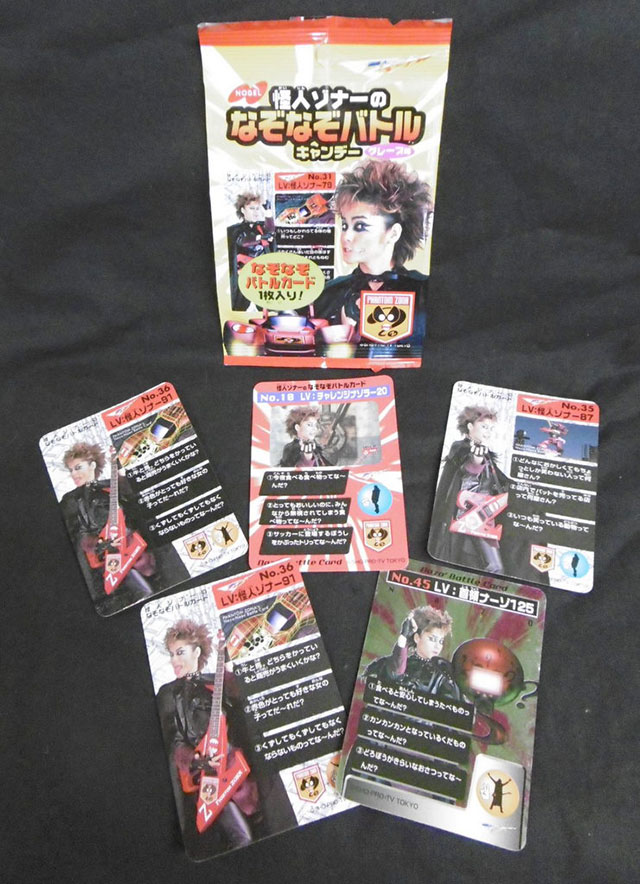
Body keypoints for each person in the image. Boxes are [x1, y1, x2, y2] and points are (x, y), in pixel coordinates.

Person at [311, 159, 431, 358]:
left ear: (393, 233)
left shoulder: (425, 292)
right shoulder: (327, 295)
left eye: (360, 226)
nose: (346, 236)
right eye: (345, 225)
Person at [156, 619, 256, 856]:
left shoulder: (215, 681)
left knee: (255, 832)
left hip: (237, 772)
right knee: (242, 838)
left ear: (197, 652)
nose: (174, 660)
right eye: (172, 654)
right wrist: (197, 761)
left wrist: (228, 661)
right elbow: (174, 741)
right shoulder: (170, 694)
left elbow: (240, 701)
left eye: (180, 652)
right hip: (205, 779)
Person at [59, 441, 155, 613]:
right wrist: (102, 545)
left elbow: (136, 506)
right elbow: (80, 538)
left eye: (78, 467)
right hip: (105, 562)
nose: (74, 474)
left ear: (92, 465)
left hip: (133, 549)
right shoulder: (72, 500)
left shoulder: (110, 486)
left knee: (148, 587)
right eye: (71, 470)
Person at [430, 406, 509, 574]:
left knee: (488, 565)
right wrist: (476, 459)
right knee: (492, 566)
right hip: (468, 517)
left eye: (491, 428)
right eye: (484, 426)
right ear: (470, 426)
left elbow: (500, 481)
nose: (488, 432)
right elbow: (469, 466)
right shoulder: (460, 448)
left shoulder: (488, 455)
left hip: (485, 517)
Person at [366, 605, 460, 699]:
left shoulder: (442, 676)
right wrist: (403, 638)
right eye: (432, 639)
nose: (437, 646)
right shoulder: (392, 663)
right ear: (417, 638)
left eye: (441, 641)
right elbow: (394, 673)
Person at [227, 192, 275, 310]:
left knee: (267, 308)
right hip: (243, 275)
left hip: (262, 276)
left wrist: (268, 212)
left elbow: (271, 231)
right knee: (238, 307)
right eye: (252, 208)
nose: (255, 212)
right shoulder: (234, 229)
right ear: (243, 210)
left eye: (257, 208)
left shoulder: (261, 227)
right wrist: (259, 238)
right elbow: (242, 241)